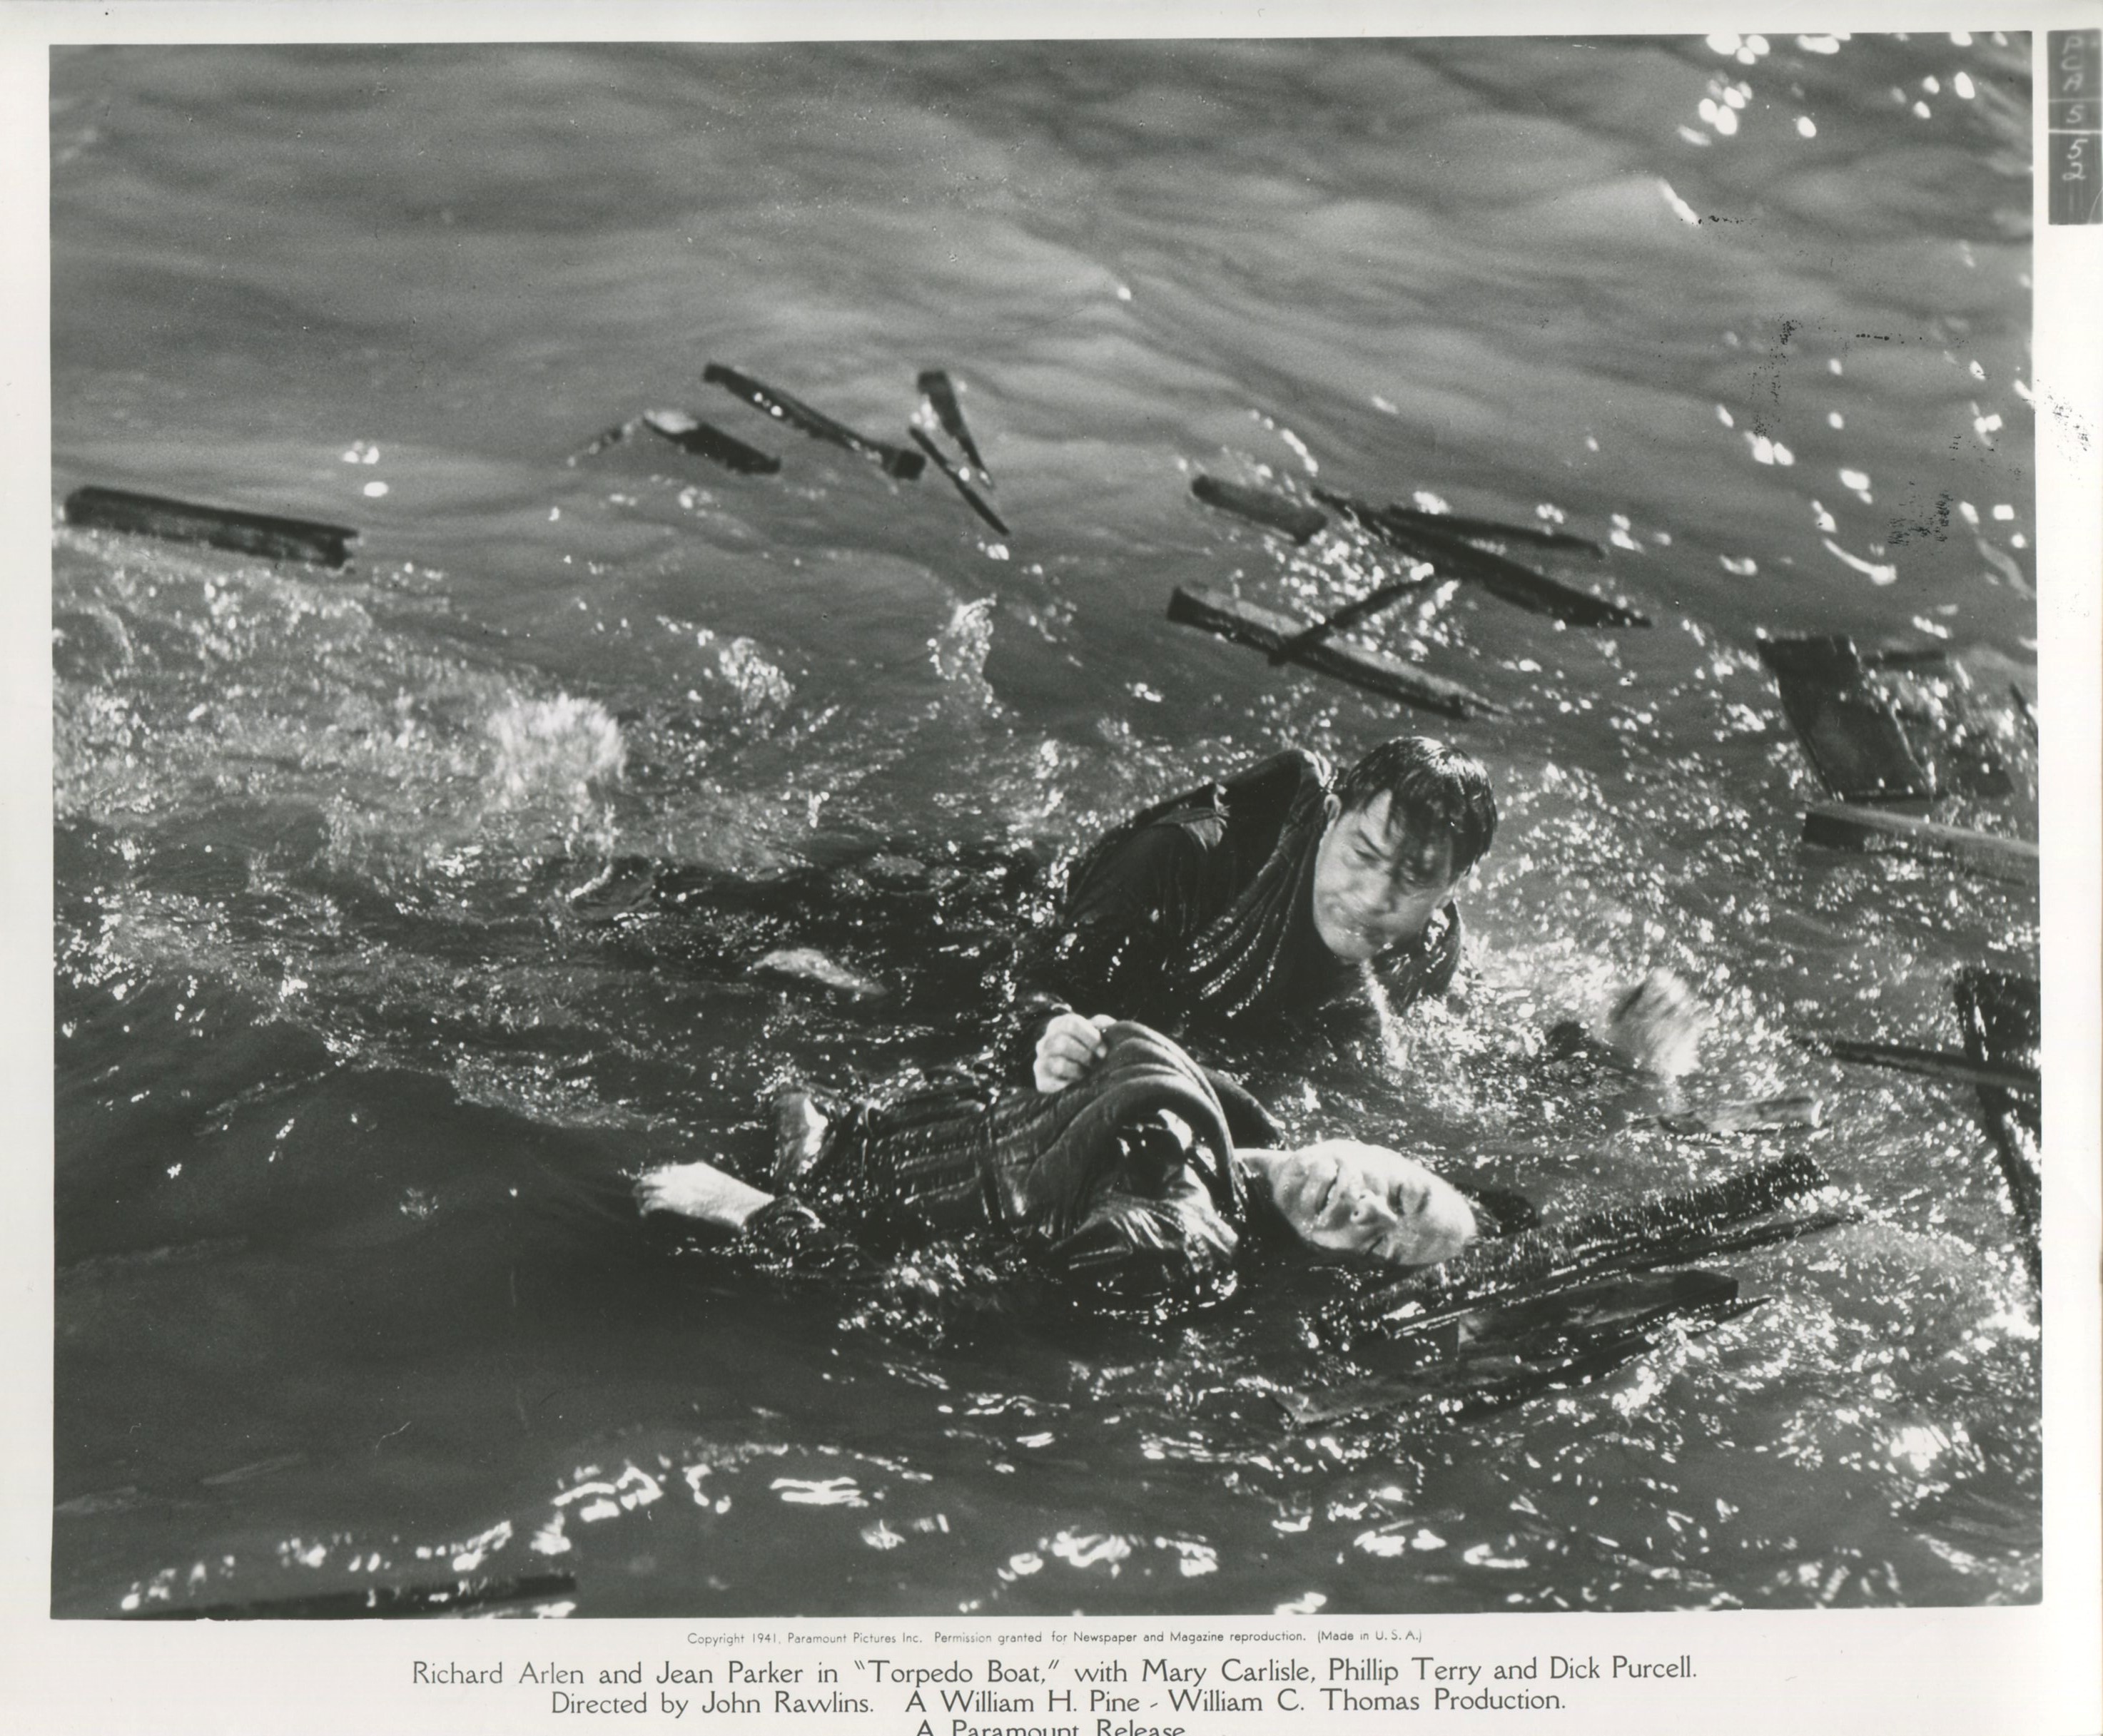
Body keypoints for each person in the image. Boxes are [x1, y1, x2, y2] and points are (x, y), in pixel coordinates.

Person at [637, 1021, 1479, 1316]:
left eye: (1377, 1247)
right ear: (1382, 1146)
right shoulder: (1227, 1106)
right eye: (1399, 1194)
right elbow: (1022, 1037)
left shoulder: (1177, 1250)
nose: (1365, 1211)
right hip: (826, 1098)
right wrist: (1051, 1036)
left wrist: (749, 1212)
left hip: (770, 1209)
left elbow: (925, 1296)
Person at [1026, 737, 1497, 1092]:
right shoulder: (1186, 858)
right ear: (1331, 816)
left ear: (1451, 887)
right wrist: (1048, 1033)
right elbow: (1041, 981)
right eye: (1362, 854)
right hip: (1021, 907)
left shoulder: (1433, 950)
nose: (1374, 898)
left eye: (1413, 878)